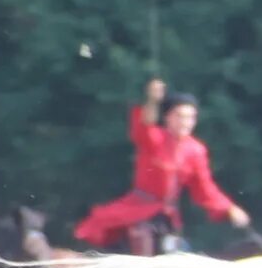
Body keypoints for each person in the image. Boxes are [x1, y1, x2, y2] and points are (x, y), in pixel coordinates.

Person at [71, 79, 252, 254]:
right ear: (167, 118)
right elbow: (144, 124)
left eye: (190, 118)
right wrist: (152, 100)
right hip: (138, 211)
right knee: (140, 248)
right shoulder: (154, 138)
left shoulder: (196, 150)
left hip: (167, 220)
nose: (185, 122)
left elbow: (205, 189)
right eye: (180, 116)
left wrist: (229, 208)